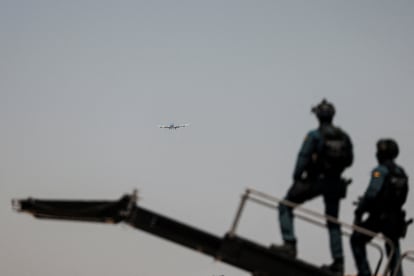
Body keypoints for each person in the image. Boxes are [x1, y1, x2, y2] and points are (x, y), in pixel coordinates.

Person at [272, 99, 353, 275]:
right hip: (335, 182)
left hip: (315, 181)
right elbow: (350, 160)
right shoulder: (344, 136)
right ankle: (338, 263)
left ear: (317, 115)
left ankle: (289, 245)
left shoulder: (314, 135)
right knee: (333, 222)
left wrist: (297, 178)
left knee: (285, 205)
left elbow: (303, 157)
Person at [350, 139, 409, 276]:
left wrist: (360, 210)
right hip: (395, 218)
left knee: (357, 239)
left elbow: (371, 194)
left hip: (379, 217)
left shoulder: (380, 171)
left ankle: (364, 272)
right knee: (393, 249)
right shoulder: (402, 173)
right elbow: (404, 196)